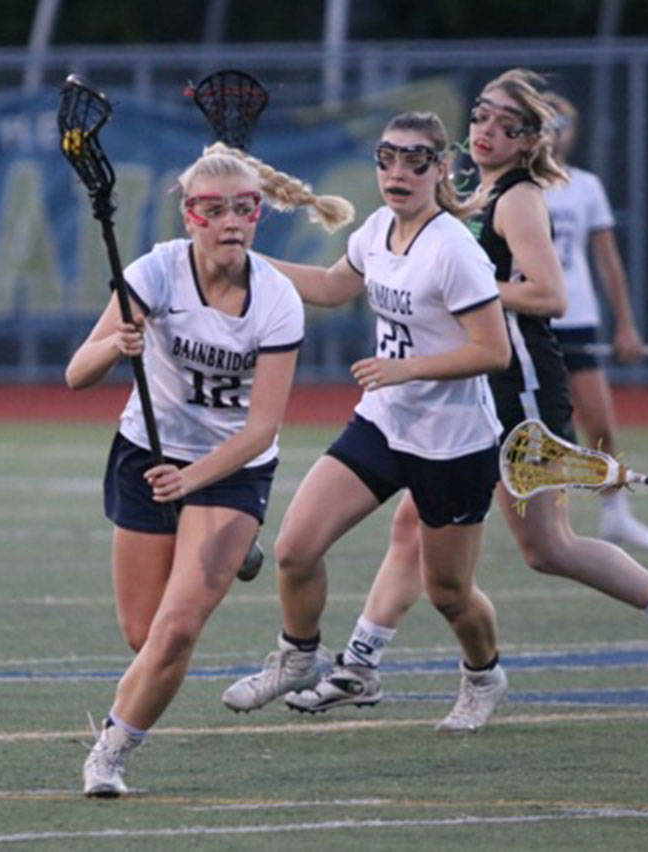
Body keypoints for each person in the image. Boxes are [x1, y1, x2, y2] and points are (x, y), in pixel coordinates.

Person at [283, 69, 648, 722]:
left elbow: (548, 294)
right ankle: (360, 663)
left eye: (508, 126)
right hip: (476, 390)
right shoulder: (468, 193)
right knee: (414, 527)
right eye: (483, 117)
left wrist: (462, 292)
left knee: (545, 546)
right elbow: (344, 282)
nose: (488, 131)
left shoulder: (517, 199)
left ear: (529, 144)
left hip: (516, 389)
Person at [68, 141, 354, 796]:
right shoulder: (155, 272)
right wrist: (117, 343)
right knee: (143, 635)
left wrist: (193, 483)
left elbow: (262, 429)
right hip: (145, 453)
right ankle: (234, 545)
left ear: (259, 215)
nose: (231, 223)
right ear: (189, 217)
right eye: (214, 210)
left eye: (244, 209)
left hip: (229, 472)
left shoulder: (277, 299)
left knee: (176, 632)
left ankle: (109, 751)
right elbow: (75, 375)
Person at [220, 110, 515, 732]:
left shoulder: (454, 249)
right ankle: (299, 656)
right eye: (387, 158)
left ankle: (484, 675)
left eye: (415, 161)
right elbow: (331, 287)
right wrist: (251, 263)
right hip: (383, 423)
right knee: (297, 548)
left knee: (449, 593)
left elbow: (494, 351)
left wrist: (409, 370)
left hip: (454, 443)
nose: (398, 172)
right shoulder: (377, 228)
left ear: (441, 169)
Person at [541, 90, 648, 551]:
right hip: (526, 313)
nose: (553, 137)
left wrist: (625, 324)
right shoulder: (511, 186)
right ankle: (541, 519)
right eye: (544, 125)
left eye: (561, 126)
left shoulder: (585, 186)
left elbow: (607, 260)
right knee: (533, 426)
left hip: (576, 315)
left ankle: (614, 510)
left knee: (598, 420)